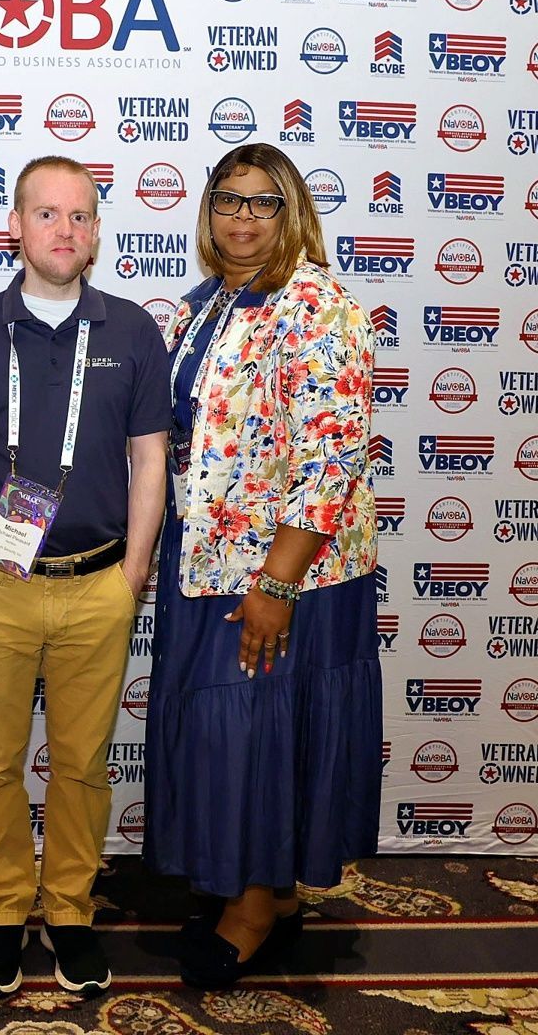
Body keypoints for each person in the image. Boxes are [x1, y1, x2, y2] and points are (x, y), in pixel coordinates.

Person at [0, 155, 171, 997]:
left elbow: (150, 460)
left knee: (83, 765)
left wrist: (133, 573)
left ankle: (69, 913)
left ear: (96, 231)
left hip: (99, 586)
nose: (65, 230)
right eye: (48, 214)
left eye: (81, 215)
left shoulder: (131, 331)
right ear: (15, 227)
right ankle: (0, 915)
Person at [143, 143, 379, 988]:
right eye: (227, 200)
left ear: (293, 213)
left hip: (286, 575)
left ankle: (254, 910)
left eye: (262, 202)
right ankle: (260, 888)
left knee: (258, 737)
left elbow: (333, 455)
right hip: (206, 560)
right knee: (231, 737)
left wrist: (277, 583)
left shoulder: (317, 305)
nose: (242, 217)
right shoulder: (202, 304)